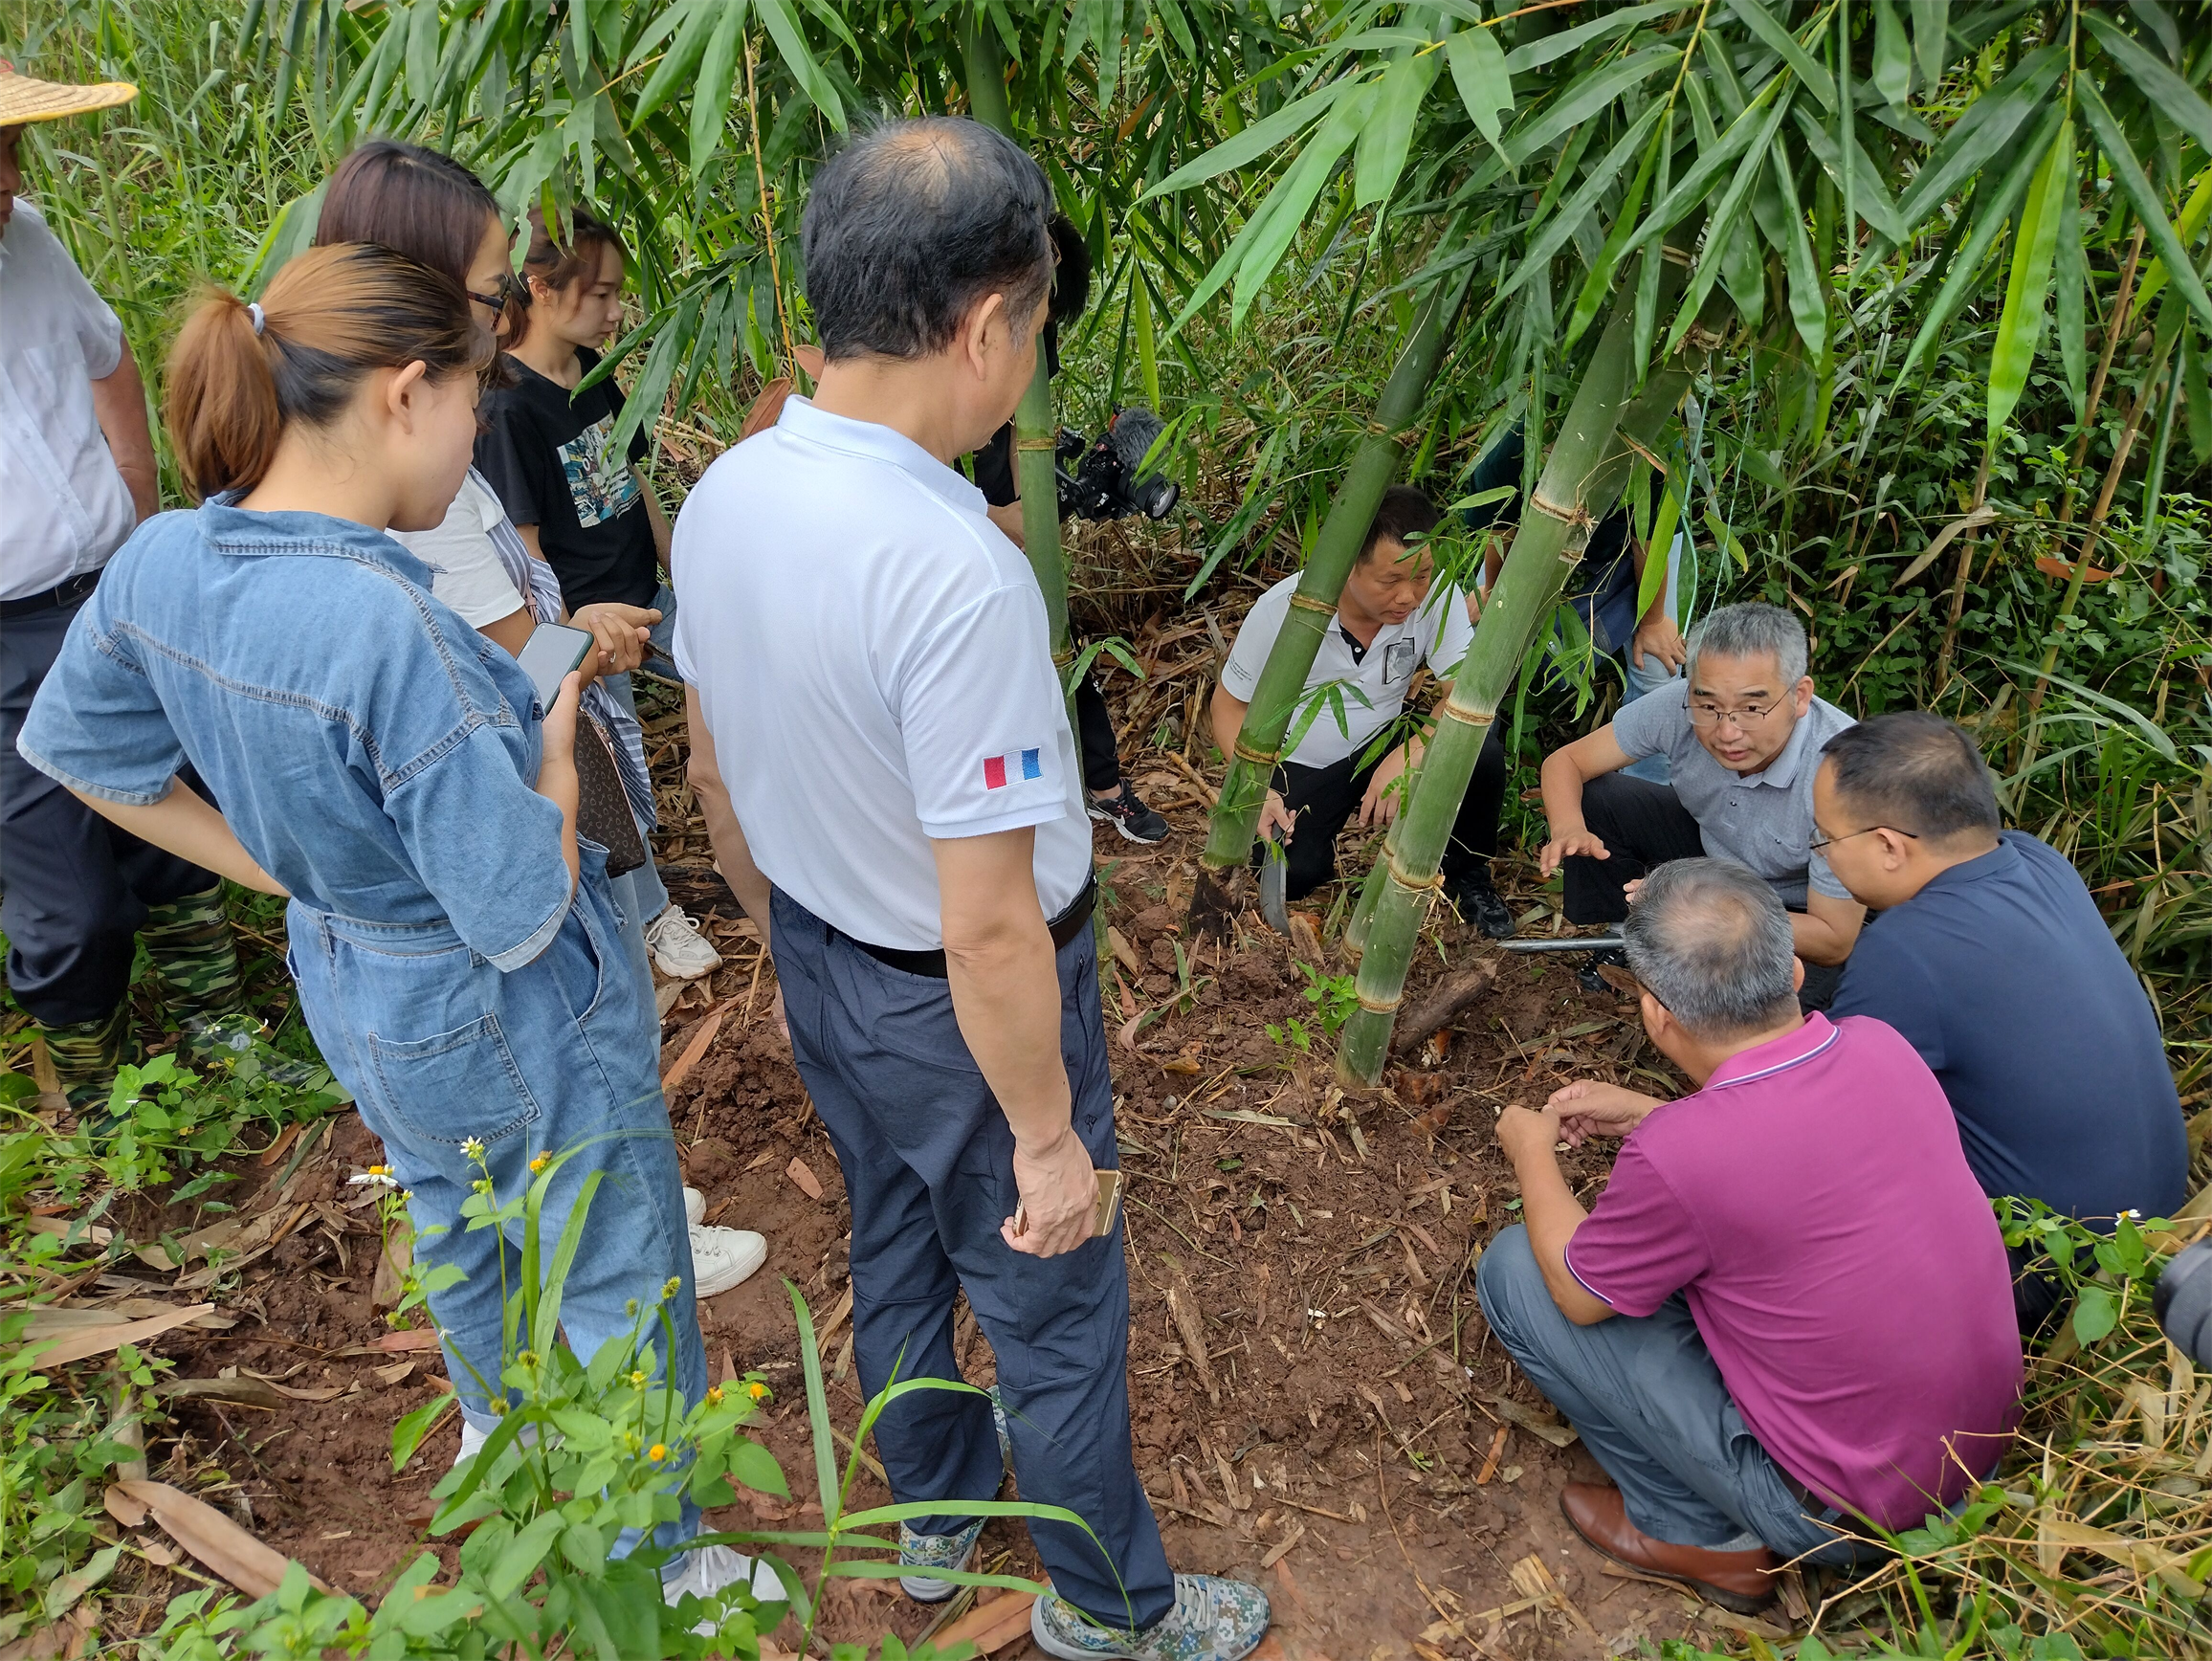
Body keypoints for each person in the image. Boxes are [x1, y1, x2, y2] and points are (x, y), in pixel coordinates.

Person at [16, 244, 769, 1614]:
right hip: (506, 999)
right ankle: (669, 1562)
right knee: (613, 1252)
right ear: (405, 394)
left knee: (453, 1203)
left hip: (353, 973)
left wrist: (272, 868)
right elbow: (518, 901)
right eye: (474, 397)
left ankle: (496, 1429)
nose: (478, 425)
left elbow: (80, 747)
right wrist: (549, 749)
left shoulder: (168, 559)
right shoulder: (386, 627)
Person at [675, 117, 1269, 1660]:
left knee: (890, 1229)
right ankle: (1109, 1609)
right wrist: (1050, 1135)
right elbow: (991, 917)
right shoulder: (955, 575)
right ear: (989, 323)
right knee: (1051, 1299)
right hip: (961, 998)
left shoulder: (731, 493)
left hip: (824, 959)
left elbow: (714, 759)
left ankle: (932, 1504)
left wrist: (775, 918)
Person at [312, 138, 765, 1300]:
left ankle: (615, 1213)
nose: (503, 306)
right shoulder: (426, 468)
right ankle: (632, 1240)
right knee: (579, 1035)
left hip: (523, 801)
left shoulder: (391, 452)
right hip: (530, 804)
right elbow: (510, 658)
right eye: (490, 285)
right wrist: (594, 641)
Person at [1477, 859, 2021, 1612]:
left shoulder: (1685, 1157)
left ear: (1656, 1015)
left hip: (1845, 1510)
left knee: (1517, 1269)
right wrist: (1654, 1113)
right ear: (1794, 971)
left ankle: (1704, 1539)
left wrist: (1531, 1150)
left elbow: (1576, 1290)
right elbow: (1798, 1158)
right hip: (1975, 1452)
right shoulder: (1881, 1048)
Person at [0, 65, 312, 1110]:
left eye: (12, 154)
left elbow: (106, 350)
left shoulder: (29, 237)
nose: (7, 179)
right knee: (68, 900)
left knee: (175, 815)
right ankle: (91, 1098)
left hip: (103, 588)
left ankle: (216, 1028)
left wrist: (136, 485)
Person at [1816, 712, 2189, 1325]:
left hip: (2048, 1271)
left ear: (1888, 846)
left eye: (1826, 838)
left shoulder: (1907, 948)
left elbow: (1819, 1130)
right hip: (2150, 1229)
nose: (1824, 855)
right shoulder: (2036, 860)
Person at [474, 202, 720, 982]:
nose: (618, 312)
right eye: (603, 294)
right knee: (611, 774)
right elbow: (526, 549)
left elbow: (634, 476)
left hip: (643, 592)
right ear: (542, 289)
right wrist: (562, 653)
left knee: (736, 672)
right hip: (580, 627)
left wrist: (684, 568)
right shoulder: (507, 405)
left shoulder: (597, 374)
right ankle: (648, 914)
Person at [1210, 486, 1515, 938]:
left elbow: (1464, 694)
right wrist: (1255, 787)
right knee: (1295, 873)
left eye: (1423, 576)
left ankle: (1468, 875)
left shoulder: (1436, 599)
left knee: (1479, 747)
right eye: (1391, 581)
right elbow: (1228, 705)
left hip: (1386, 736)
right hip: (1300, 764)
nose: (1409, 596)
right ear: (1349, 564)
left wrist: (1410, 755)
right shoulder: (1286, 610)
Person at [1537, 601, 1863, 1004]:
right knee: (1601, 797)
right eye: (1708, 706)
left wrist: (1706, 909)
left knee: (1777, 1012)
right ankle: (1634, 935)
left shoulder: (1843, 773)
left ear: (1799, 696)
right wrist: (1569, 826)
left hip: (1797, 911)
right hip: (1715, 856)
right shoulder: (1677, 705)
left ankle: (1678, 929)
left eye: (1751, 708)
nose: (1726, 732)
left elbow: (1834, 940)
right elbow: (1566, 762)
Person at [971, 213, 1168, 845]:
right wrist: (1032, 510)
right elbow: (986, 507)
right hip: (980, 538)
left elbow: (1021, 444)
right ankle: (1062, 795)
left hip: (1003, 503)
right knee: (1024, 653)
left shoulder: (1029, 338)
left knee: (1058, 640)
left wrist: (1072, 485)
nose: (1037, 336)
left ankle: (1098, 788)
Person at [1462, 422, 1686, 785]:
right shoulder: (1514, 452)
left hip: (1635, 547)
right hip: (1541, 539)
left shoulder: (1652, 443)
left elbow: (1649, 539)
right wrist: (1491, 591)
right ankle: (1462, 776)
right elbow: (1503, 532)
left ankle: (1647, 794)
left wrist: (1654, 621)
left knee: (1659, 670)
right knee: (1474, 642)